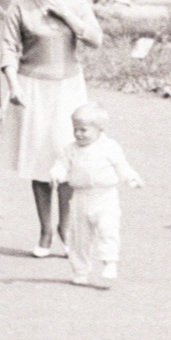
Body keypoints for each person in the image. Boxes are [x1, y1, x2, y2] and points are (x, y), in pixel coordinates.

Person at [0, 0, 102, 257]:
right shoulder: (20, 6)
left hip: (68, 87)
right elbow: (7, 48)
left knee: (69, 158)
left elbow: (95, 40)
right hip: (33, 89)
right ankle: (45, 231)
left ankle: (65, 227)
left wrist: (67, 17)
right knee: (40, 163)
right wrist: (13, 84)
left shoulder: (76, 3)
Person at [50, 102, 143, 286]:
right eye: (75, 129)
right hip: (80, 197)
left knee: (108, 229)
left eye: (83, 130)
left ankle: (109, 261)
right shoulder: (71, 149)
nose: (78, 134)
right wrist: (56, 174)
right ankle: (80, 271)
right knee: (79, 238)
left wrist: (131, 178)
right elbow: (61, 164)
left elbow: (121, 166)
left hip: (105, 196)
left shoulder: (110, 147)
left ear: (100, 129)